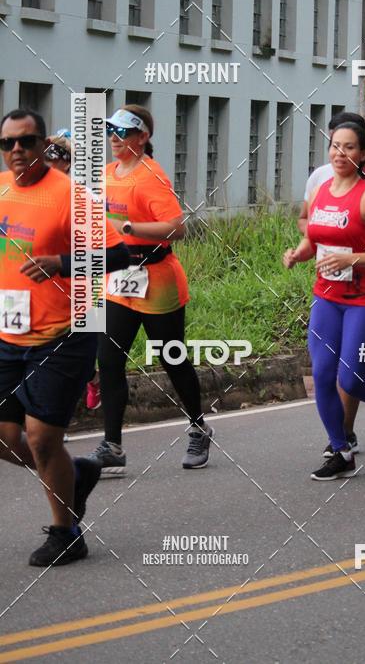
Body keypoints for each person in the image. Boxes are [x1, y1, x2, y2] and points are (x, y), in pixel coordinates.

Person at [0, 109, 129, 566]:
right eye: (8, 143)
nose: (17, 150)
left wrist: (62, 263)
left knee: (39, 436)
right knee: (3, 437)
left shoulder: (73, 197)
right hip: (7, 333)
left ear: (42, 146)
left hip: (63, 333)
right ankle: (75, 475)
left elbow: (117, 254)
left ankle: (66, 532)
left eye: (27, 142)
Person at [88, 106, 212, 476]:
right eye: (111, 131)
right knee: (109, 362)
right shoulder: (107, 174)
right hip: (118, 280)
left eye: (124, 132)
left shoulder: (151, 177)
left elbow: (178, 228)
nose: (115, 138)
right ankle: (112, 447)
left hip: (156, 279)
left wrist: (129, 228)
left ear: (142, 138)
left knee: (172, 359)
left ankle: (198, 427)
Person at [284, 122, 365, 480]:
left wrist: (351, 259)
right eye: (335, 146)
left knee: (350, 379)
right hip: (326, 295)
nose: (340, 154)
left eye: (349, 147)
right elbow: (315, 240)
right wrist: (298, 254)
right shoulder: (322, 189)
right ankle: (340, 450)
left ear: (363, 154)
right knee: (322, 376)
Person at [45, 129, 102, 412]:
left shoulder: (84, 196)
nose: (43, 161)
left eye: (51, 156)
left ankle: (90, 378)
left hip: (75, 277)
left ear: (66, 162)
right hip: (38, 279)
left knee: (68, 346)